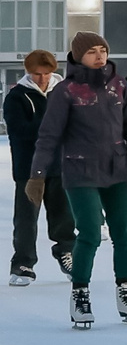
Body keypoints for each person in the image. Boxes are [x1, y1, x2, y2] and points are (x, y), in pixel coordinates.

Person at [28, 31, 127, 327]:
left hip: (117, 169)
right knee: (89, 235)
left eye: (103, 50)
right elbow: (48, 137)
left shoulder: (119, 86)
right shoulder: (66, 91)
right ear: (78, 56)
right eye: (92, 52)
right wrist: (37, 176)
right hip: (80, 171)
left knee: (125, 234)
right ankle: (80, 295)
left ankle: (126, 292)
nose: (100, 56)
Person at [7, 49, 71, 283]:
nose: (42, 79)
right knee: (25, 219)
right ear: (28, 72)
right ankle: (22, 264)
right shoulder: (17, 97)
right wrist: (52, 129)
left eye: (46, 73)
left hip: (60, 165)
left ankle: (67, 252)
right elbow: (18, 131)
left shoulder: (64, 92)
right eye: (36, 74)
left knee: (64, 215)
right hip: (28, 168)